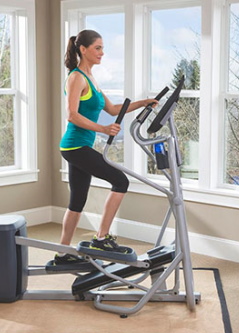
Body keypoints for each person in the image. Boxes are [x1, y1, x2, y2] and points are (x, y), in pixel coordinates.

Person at [55, 29, 158, 265]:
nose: (103, 52)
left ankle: (63, 253)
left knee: (77, 200)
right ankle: (101, 237)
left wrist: (144, 103)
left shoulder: (91, 79)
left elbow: (112, 110)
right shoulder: (76, 77)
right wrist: (102, 130)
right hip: (74, 146)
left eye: (102, 48)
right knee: (120, 181)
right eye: (98, 48)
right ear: (83, 49)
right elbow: (71, 115)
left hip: (79, 146)